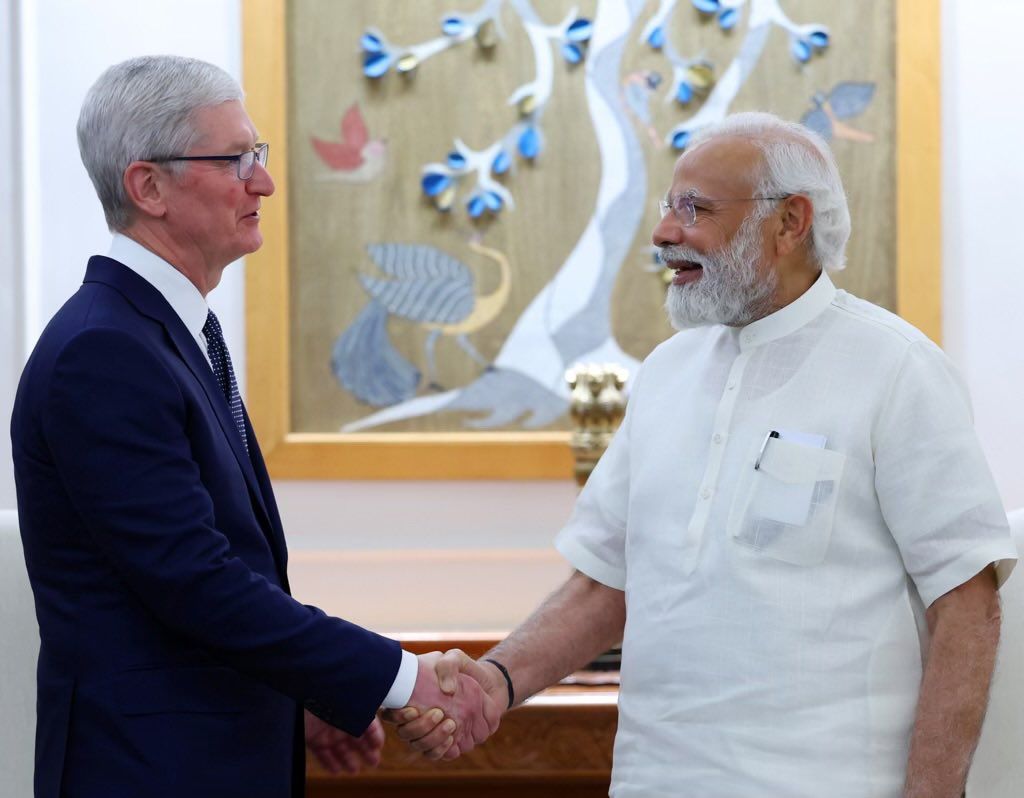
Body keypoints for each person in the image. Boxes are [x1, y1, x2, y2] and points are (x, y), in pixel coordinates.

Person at [390, 111, 1019, 798]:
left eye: (696, 209)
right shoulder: (666, 372)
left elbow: (965, 604)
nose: (664, 233)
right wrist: (495, 681)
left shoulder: (896, 368)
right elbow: (606, 582)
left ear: (790, 223)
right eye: (668, 207)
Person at [10, 55, 497, 798]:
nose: (263, 182)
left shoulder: (163, 334)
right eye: (235, 159)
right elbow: (196, 582)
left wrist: (297, 695)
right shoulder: (104, 351)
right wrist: (398, 678)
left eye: (258, 156)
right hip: (148, 772)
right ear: (148, 186)